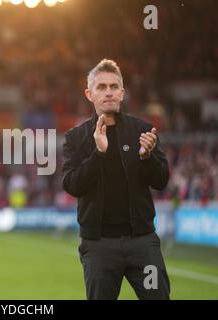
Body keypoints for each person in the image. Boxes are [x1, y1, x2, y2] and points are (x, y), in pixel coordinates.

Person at [62, 59, 170, 300]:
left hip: (142, 244)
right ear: (90, 94)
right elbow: (72, 185)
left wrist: (147, 158)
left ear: (122, 92)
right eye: (101, 87)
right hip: (99, 247)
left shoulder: (143, 131)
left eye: (114, 87)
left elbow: (162, 181)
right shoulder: (76, 138)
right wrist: (98, 154)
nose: (108, 92)